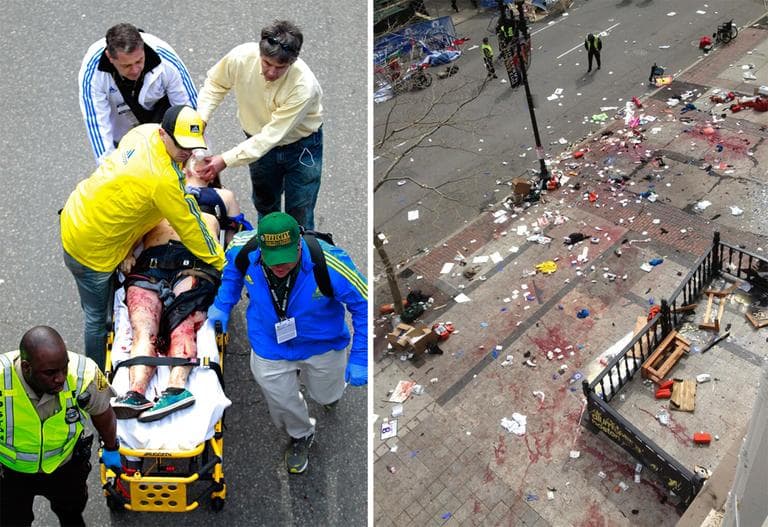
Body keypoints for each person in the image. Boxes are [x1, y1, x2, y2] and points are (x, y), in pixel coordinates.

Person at [60, 104, 225, 371]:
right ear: (163, 134)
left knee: (101, 305)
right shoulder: (163, 179)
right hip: (92, 248)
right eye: (181, 145)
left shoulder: (144, 132)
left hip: (80, 212)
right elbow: (190, 226)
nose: (187, 152)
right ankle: (94, 378)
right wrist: (221, 264)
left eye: (192, 146)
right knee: (97, 318)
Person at [207, 212, 367, 474]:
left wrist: (360, 355)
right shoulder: (242, 247)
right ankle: (300, 434)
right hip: (269, 344)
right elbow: (232, 272)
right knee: (281, 400)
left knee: (326, 394)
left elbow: (363, 303)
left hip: (321, 344)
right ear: (260, 248)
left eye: (286, 257)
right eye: (272, 259)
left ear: (299, 244)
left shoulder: (331, 263)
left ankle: (328, 396)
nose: (279, 266)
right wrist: (222, 304)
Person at [111, 160, 246, 422]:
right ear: (182, 165)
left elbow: (234, 242)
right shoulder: (162, 187)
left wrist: (230, 276)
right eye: (194, 155)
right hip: (152, 263)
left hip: (194, 263)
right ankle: (135, 392)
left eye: (207, 156)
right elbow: (135, 224)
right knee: (143, 329)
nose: (201, 158)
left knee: (183, 325)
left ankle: (176, 389)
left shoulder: (222, 196)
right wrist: (127, 252)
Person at [196, 20, 324, 230]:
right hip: (255, 140)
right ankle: (267, 246)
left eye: (280, 67)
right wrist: (201, 118)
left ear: (292, 62)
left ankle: (303, 248)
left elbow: (270, 136)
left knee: (300, 213)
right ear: (259, 52)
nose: (271, 72)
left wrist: (225, 160)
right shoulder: (240, 58)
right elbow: (215, 84)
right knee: (265, 205)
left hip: (301, 146)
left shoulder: (304, 87)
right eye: (266, 63)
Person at [0, 326, 121, 527]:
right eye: (50, 373)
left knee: (71, 513)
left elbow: (103, 414)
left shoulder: (84, 374)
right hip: (11, 472)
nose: (61, 378)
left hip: (65, 467)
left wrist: (111, 447)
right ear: (26, 367)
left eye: (64, 367)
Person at [79, 23, 198, 164]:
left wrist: (198, 158)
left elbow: (189, 110)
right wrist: (111, 170)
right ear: (110, 57)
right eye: (127, 65)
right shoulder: (92, 75)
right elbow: (98, 127)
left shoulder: (166, 60)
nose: (135, 70)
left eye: (139, 61)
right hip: (125, 135)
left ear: (143, 49)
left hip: (163, 123)